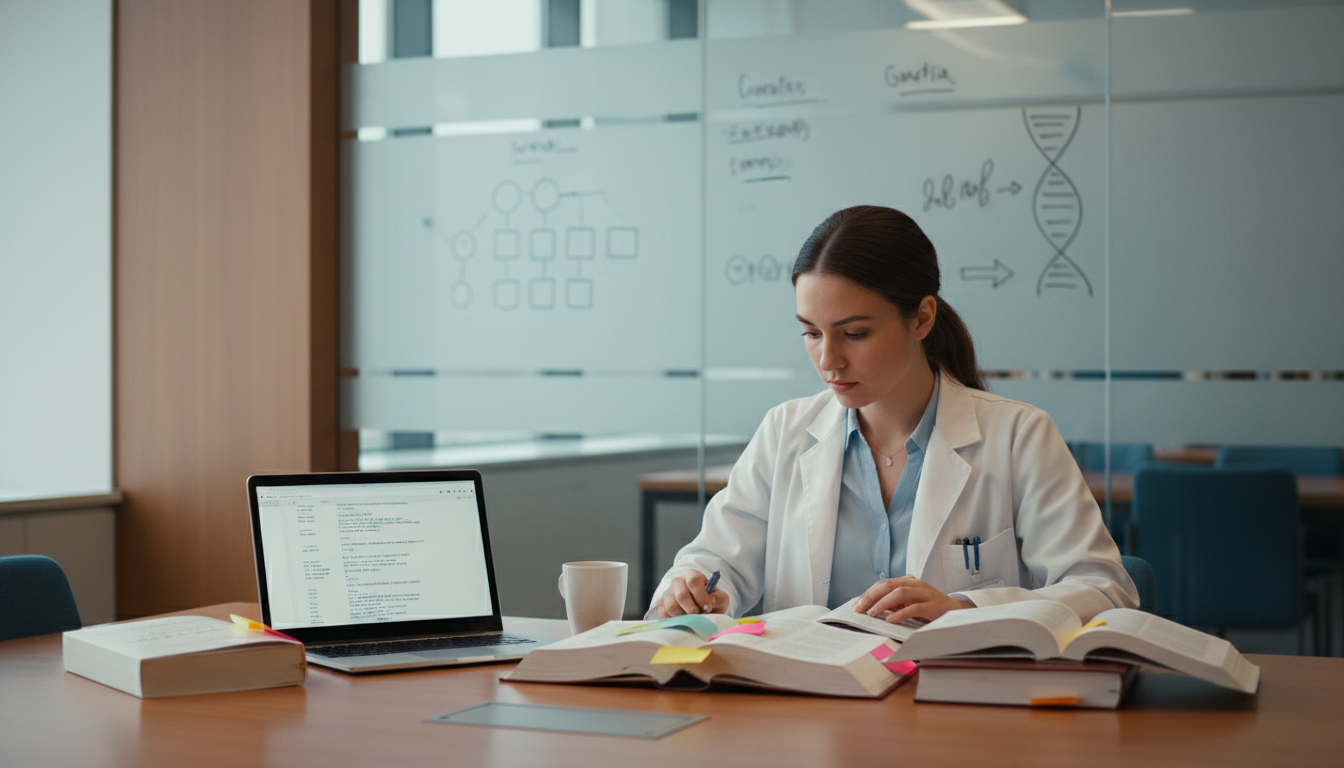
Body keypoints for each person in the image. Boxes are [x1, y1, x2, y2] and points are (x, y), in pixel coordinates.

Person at [651, 205, 1137, 624]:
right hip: (810, 711)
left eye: (855, 333)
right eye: (811, 333)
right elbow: (715, 561)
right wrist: (691, 589)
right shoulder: (785, 431)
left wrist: (966, 609)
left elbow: (1104, 591)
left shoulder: (1018, 436)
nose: (828, 360)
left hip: (958, 711)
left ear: (922, 318)